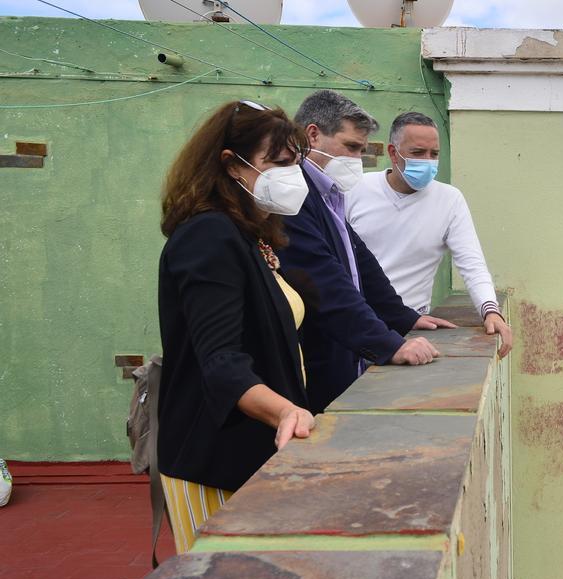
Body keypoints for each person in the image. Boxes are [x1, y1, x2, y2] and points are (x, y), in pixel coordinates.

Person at [157, 100, 315, 553]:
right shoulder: (208, 235)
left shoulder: (248, 235)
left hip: (257, 453)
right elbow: (223, 363)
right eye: (279, 164)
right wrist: (285, 411)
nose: (292, 176)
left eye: (296, 163)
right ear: (232, 164)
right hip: (216, 461)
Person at [279, 90, 450, 413]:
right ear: (313, 134)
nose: (357, 160)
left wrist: (404, 317)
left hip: (343, 351)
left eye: (361, 151)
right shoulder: (294, 194)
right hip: (313, 360)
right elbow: (322, 280)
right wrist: (388, 344)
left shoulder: (327, 191)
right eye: (351, 147)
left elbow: (358, 260)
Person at [346, 112, 514, 358]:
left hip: (411, 325)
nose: (427, 161)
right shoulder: (354, 189)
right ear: (393, 153)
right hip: (356, 322)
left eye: (434, 154)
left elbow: (472, 263)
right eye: (417, 153)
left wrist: (490, 311)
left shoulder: (449, 200)